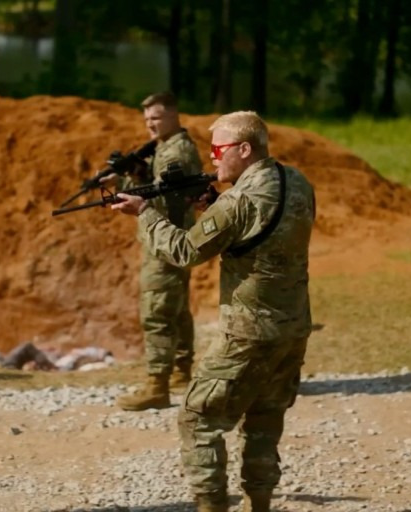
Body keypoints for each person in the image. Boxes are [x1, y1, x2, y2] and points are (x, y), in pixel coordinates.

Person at [111, 111, 316, 512]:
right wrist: (215, 204)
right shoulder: (297, 182)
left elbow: (185, 251)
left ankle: (212, 506)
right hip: (292, 328)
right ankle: (258, 504)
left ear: (244, 148)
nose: (212, 157)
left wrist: (145, 213)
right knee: (264, 420)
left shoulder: (238, 201)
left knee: (197, 418)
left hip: (248, 333)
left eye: (219, 149)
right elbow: (262, 230)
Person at [110, 91, 204, 411]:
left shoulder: (177, 152)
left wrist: (135, 195)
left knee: (157, 310)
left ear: (174, 116)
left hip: (166, 239)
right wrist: (135, 174)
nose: (151, 124)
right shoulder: (166, 147)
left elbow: (168, 197)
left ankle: (156, 385)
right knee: (175, 307)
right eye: (147, 119)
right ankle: (180, 370)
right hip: (170, 238)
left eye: (157, 118)